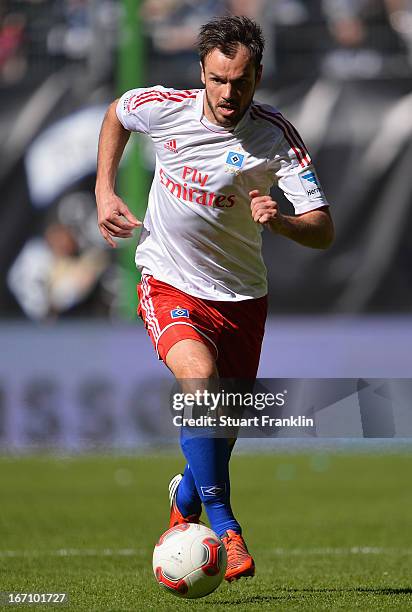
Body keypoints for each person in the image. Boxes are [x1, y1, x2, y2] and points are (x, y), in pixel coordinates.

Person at [95, 15, 334, 582]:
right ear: (202, 73)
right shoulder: (164, 107)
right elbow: (116, 114)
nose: (229, 94)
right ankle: (227, 528)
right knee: (197, 382)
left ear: (258, 76)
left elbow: (323, 228)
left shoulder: (275, 137)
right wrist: (104, 190)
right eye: (219, 80)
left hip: (242, 298)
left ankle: (186, 495)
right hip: (168, 279)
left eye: (242, 82)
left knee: (218, 428)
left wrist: (283, 225)